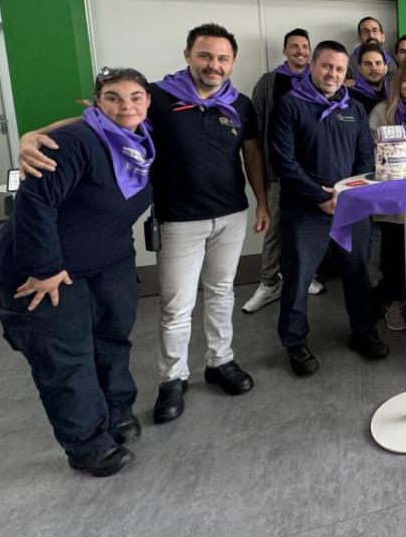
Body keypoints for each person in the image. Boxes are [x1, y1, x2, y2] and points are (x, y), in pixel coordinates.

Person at [20, 23, 270, 423]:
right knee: (177, 305)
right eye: (205, 56)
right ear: (187, 55)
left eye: (223, 58)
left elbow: (252, 154)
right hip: (178, 219)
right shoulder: (158, 96)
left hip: (230, 214)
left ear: (232, 62)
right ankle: (173, 379)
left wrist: (261, 203)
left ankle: (220, 361)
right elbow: (101, 119)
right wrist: (34, 135)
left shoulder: (239, 105)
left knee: (222, 292)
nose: (214, 65)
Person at [0, 68, 156, 477]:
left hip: (108, 261)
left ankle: (116, 412)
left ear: (147, 102)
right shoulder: (73, 142)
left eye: (135, 97)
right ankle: (87, 444)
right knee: (66, 357)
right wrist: (45, 268)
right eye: (113, 97)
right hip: (44, 272)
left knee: (112, 340)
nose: (126, 106)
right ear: (96, 103)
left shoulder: (141, 143)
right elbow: (35, 204)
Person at [269, 39, 388, 377]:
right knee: (298, 278)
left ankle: (363, 331)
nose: (332, 74)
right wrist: (318, 196)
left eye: (339, 69)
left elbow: (365, 159)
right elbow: (283, 161)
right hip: (304, 210)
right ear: (312, 66)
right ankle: (295, 343)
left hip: (350, 208)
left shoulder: (355, 109)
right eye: (326, 66)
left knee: (357, 274)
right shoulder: (289, 105)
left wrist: (347, 194)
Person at [244, 28, 311, 314]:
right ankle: (269, 282)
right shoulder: (269, 82)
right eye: (294, 46)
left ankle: (307, 275)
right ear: (285, 51)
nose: (300, 51)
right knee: (275, 229)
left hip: (312, 171)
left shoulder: (318, 80)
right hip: (278, 169)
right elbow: (256, 127)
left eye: (305, 46)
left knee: (307, 227)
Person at [369, 60, 406, 332]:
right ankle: (393, 303)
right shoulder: (383, 111)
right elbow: (371, 148)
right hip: (392, 194)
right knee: (393, 253)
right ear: (397, 82)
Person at [349, 41, 389, 116]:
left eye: (378, 63)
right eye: (367, 64)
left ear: (385, 68)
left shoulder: (393, 94)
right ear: (359, 69)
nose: (374, 68)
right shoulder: (350, 97)